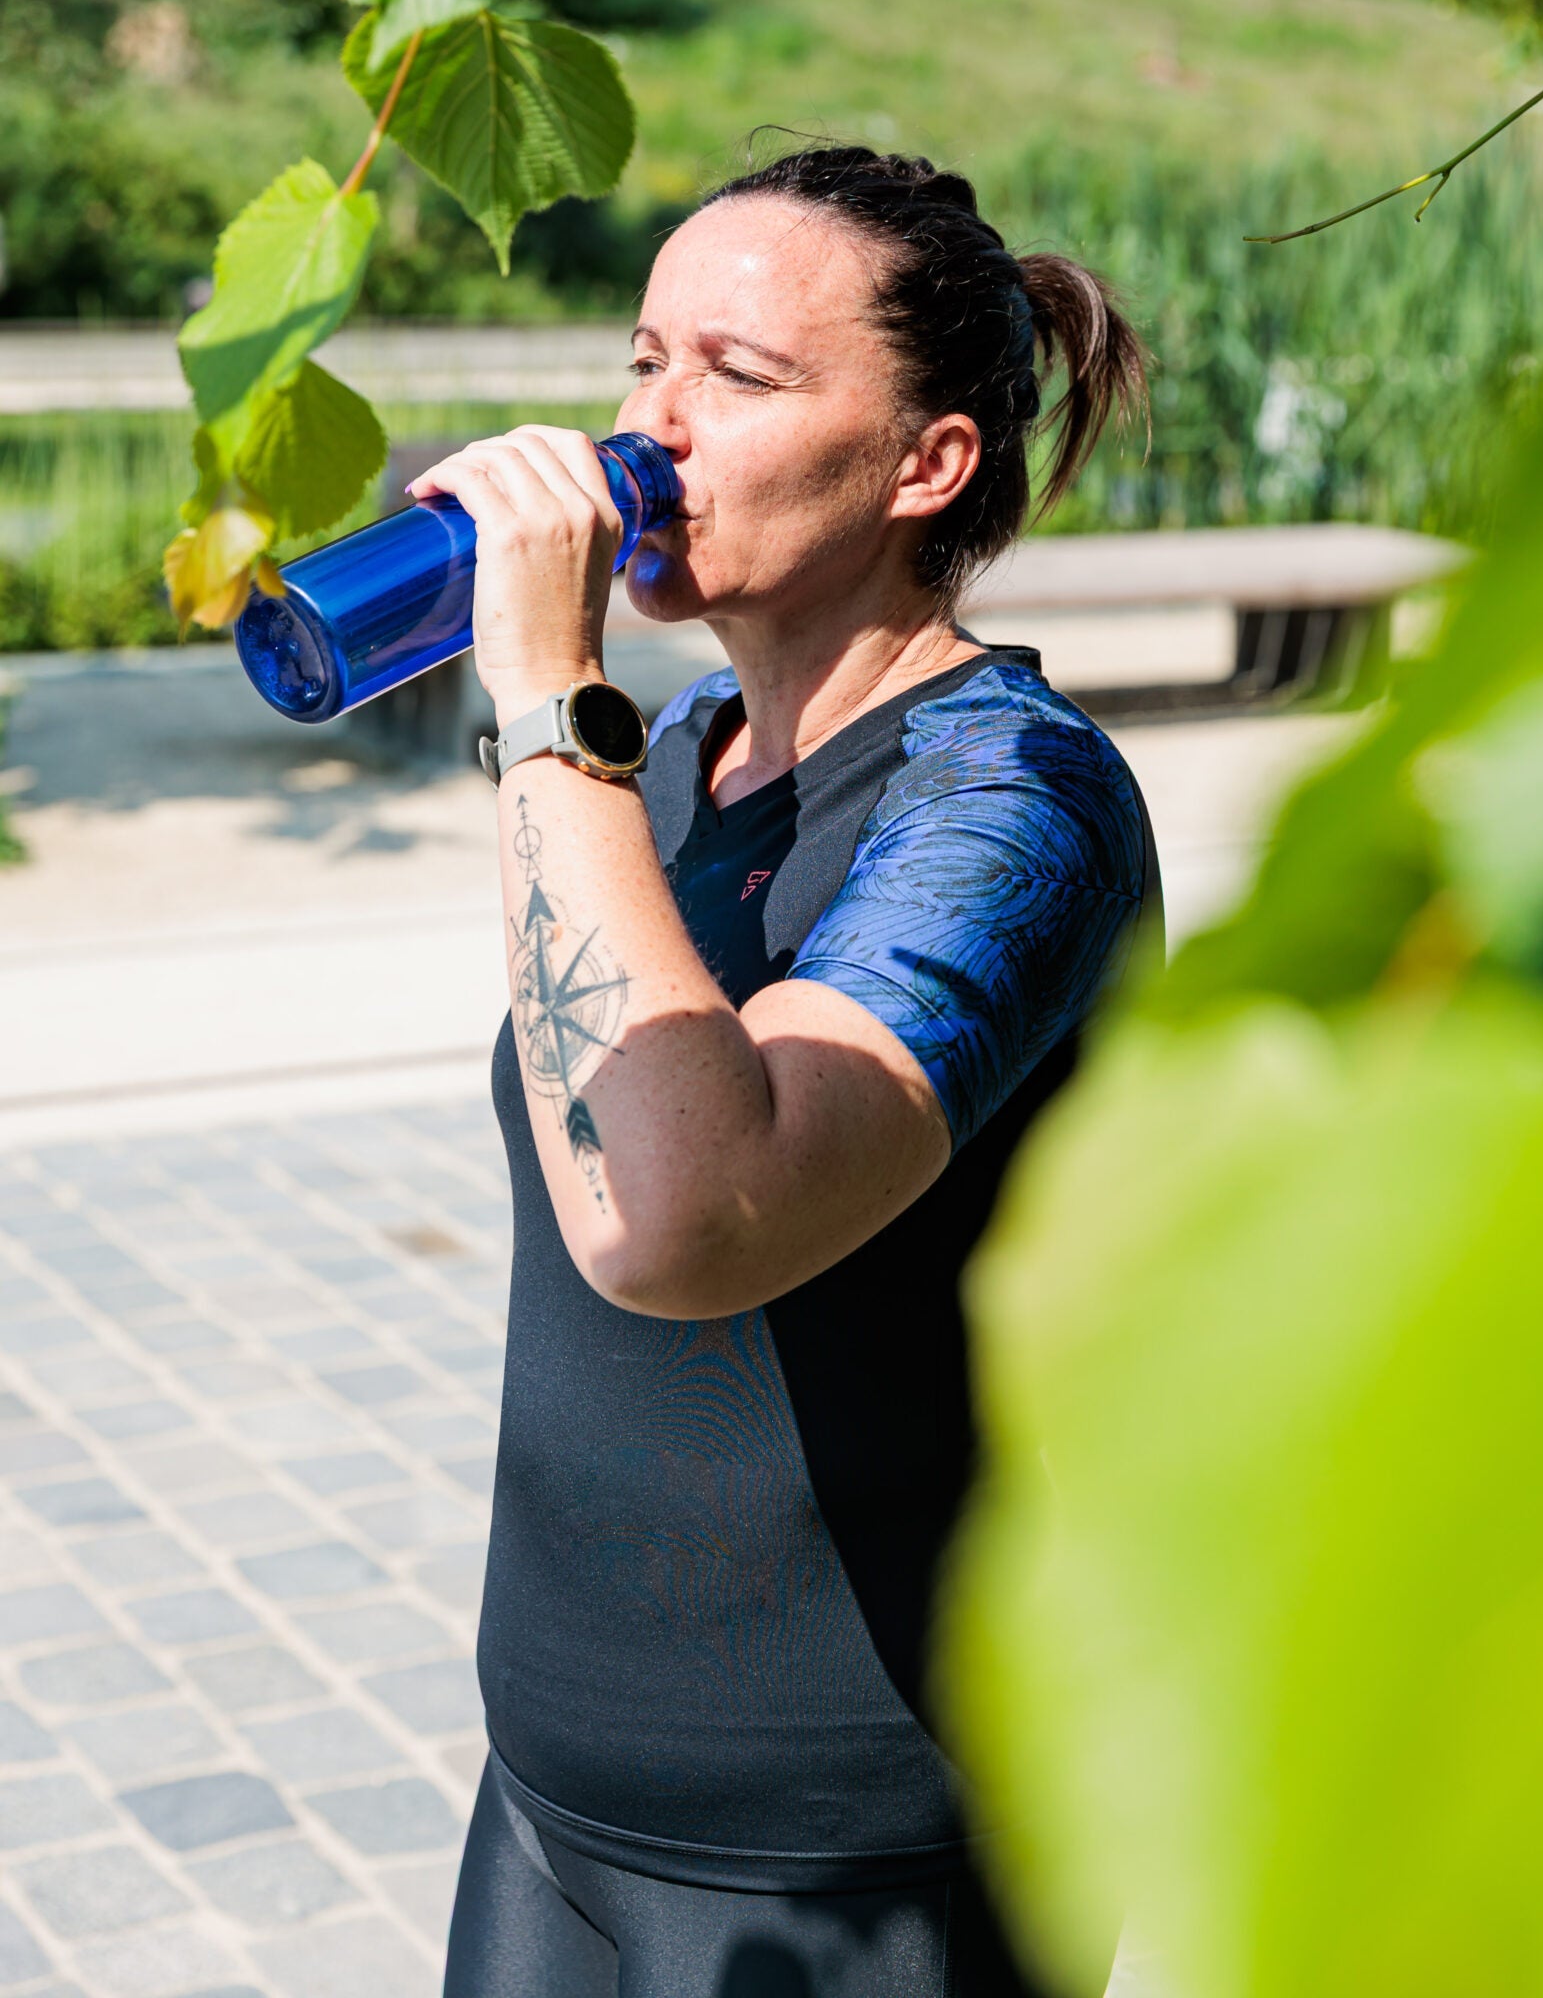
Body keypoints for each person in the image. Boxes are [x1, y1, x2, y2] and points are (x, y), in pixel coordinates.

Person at [418, 145, 1159, 1997]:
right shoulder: (667, 757)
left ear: (929, 464)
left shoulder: (1013, 800)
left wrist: (541, 703)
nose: (650, 431)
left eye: (737, 380)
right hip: (551, 1809)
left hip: (861, 1857)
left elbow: (691, 1219)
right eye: (643, 361)